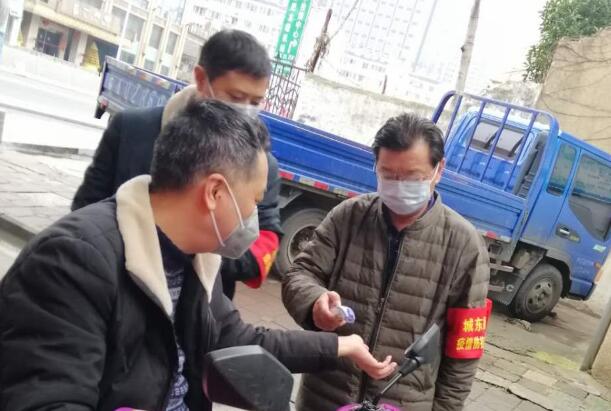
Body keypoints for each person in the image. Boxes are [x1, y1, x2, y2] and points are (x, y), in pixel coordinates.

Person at [0, 101, 397, 411]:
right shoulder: (71, 262)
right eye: (255, 201)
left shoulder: (196, 260)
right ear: (214, 193)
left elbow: (236, 340)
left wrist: (342, 347)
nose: (255, 218)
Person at [282, 113, 491, 411]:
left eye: (412, 177)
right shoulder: (348, 217)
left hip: (405, 401)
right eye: (388, 175)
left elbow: (464, 349)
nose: (399, 185)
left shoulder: (464, 246)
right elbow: (300, 274)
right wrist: (315, 301)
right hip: (326, 395)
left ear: (438, 170)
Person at [72, 29, 279, 299]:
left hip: (199, 301)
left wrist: (199, 246)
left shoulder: (260, 164)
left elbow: (263, 244)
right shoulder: (133, 130)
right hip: (114, 285)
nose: (245, 111)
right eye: (236, 98)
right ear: (202, 79)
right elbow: (86, 207)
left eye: (255, 102)